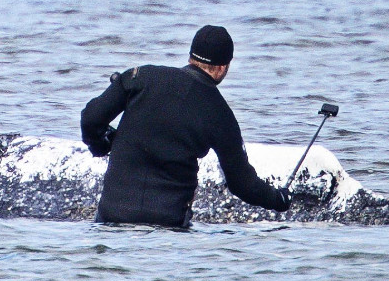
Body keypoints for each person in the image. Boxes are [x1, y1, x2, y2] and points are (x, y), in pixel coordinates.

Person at [80, 25, 290, 228]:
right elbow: (242, 184)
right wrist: (279, 199)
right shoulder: (220, 113)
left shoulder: (140, 76)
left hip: (111, 218)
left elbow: (91, 118)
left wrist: (101, 144)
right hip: (168, 227)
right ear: (223, 67)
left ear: (191, 56)